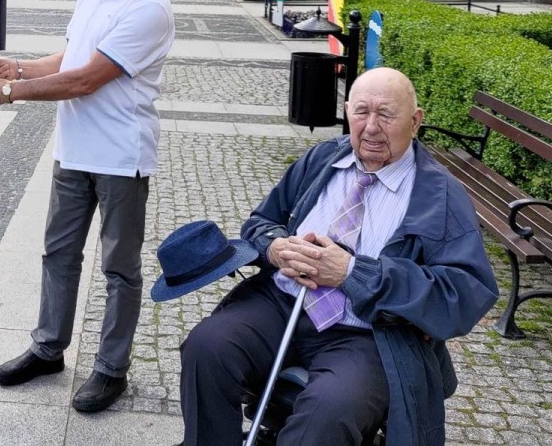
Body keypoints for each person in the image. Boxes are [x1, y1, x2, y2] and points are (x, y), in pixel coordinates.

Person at [178, 67, 497, 446]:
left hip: (367, 333)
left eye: (386, 114)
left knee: (327, 414)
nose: (372, 127)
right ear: (347, 112)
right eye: (361, 112)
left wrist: (352, 272)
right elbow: (262, 221)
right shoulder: (323, 159)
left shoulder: (439, 195)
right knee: (206, 348)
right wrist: (276, 248)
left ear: (415, 122)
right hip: (282, 304)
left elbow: (463, 293)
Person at [0, 0, 176, 414]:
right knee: (58, 253)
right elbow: (68, 59)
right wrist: (17, 70)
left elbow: (88, 80)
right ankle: (48, 349)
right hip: (74, 149)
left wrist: (11, 97)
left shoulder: (150, 8)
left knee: (119, 267)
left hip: (119, 156)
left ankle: (111, 369)